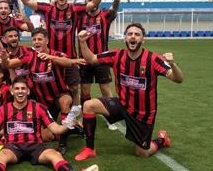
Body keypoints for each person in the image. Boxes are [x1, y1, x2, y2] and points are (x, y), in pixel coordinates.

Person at [74, 23, 184, 161]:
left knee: (142, 153)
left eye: (137, 34)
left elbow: (178, 79)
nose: (133, 37)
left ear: (143, 40)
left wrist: (173, 64)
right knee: (89, 105)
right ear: (124, 38)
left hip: (142, 114)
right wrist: (83, 42)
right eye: (130, 34)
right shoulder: (117, 55)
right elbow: (91, 59)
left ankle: (162, 139)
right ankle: (89, 149)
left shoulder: (152, 59)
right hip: (123, 104)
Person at [0, 77, 99, 171]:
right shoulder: (3, 109)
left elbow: (56, 129)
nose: (20, 91)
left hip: (35, 146)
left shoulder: (38, 107)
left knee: (54, 155)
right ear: (11, 91)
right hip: (13, 146)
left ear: (28, 91)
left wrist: (69, 123)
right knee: (3, 154)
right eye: (17, 89)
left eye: (23, 88)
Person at [15, 0, 102, 111]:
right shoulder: (48, 8)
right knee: (52, 87)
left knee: (73, 87)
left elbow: (93, 4)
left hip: (70, 57)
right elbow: (27, 1)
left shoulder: (75, 9)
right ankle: (52, 110)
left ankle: (76, 110)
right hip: (50, 57)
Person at [0, 28, 85, 154]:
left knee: (65, 101)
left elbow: (67, 62)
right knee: (47, 136)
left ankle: (62, 144)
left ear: (47, 41)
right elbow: (10, 64)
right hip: (43, 101)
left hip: (59, 95)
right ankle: (72, 129)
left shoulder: (55, 54)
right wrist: (5, 59)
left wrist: (50, 57)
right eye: (34, 39)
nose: (36, 42)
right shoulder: (30, 56)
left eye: (39, 39)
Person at [76, 0, 121, 131]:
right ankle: (84, 115)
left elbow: (114, 9)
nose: (92, 2)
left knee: (105, 89)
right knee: (84, 90)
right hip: (84, 60)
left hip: (102, 59)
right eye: (89, 0)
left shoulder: (105, 15)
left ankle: (111, 118)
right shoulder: (79, 17)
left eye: (94, 0)